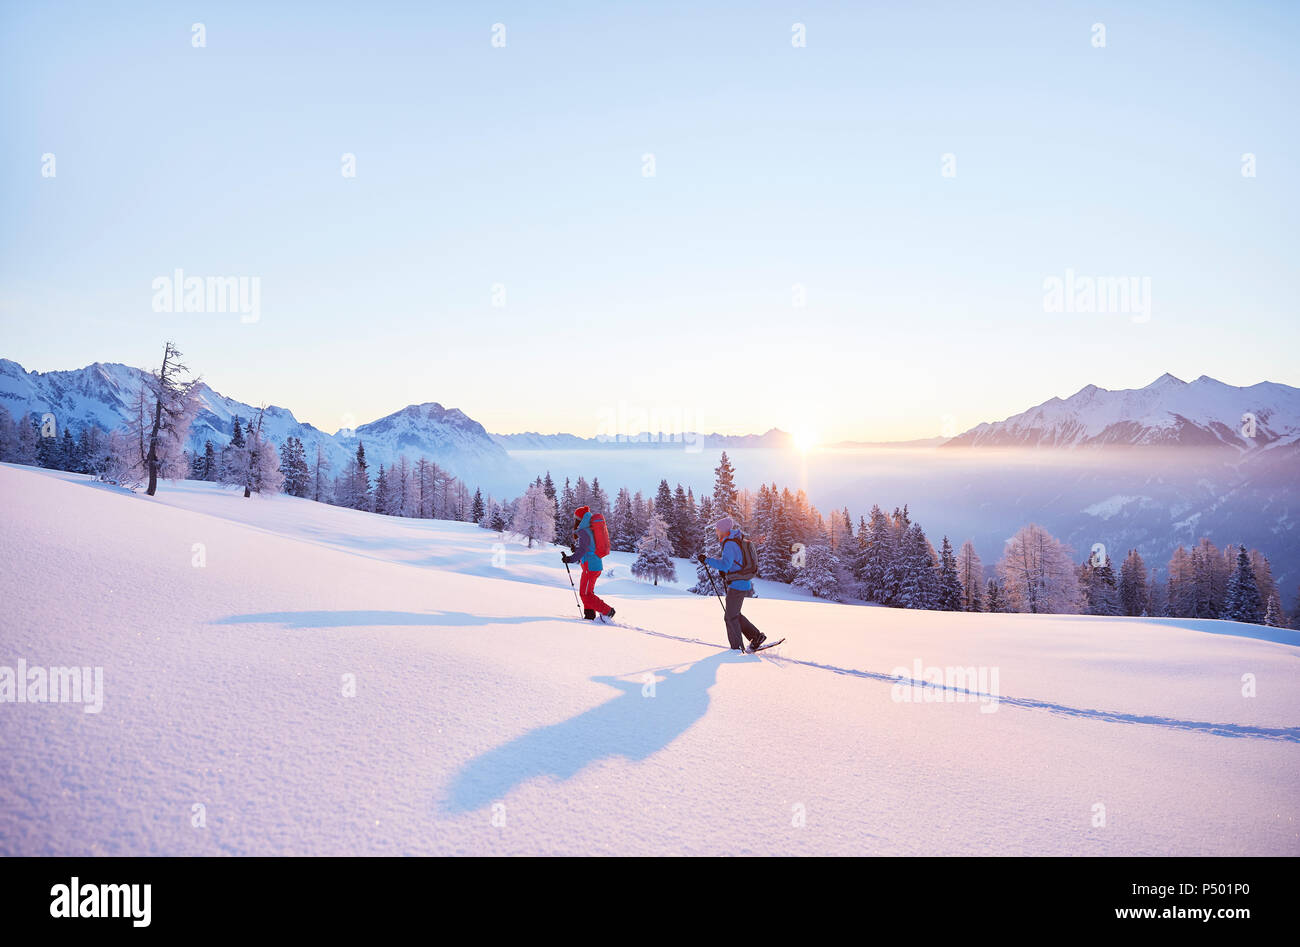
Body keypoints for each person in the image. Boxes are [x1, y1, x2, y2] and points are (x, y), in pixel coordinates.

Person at [697, 516, 766, 652]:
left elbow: (726, 563)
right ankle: (756, 636)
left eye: (717, 530)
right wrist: (726, 572)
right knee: (735, 615)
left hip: (737, 585)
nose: (716, 532)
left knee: (730, 617)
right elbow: (734, 562)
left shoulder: (729, 543)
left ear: (723, 530)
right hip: (740, 582)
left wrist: (707, 560)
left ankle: (736, 649)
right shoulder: (736, 540)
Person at [561, 505, 616, 621]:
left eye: (575, 518)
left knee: (585, 594)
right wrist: (576, 550)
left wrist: (570, 559)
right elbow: (589, 548)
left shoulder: (584, 531)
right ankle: (589, 614)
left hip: (590, 567)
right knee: (587, 592)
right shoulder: (588, 529)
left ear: (579, 519)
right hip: (592, 566)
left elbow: (583, 550)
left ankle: (608, 611)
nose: (574, 520)